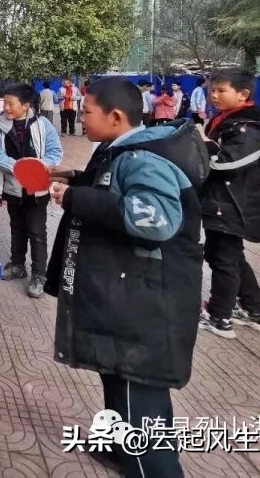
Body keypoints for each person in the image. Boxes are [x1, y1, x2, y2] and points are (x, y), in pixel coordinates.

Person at [45, 77, 207, 478]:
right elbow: (112, 189)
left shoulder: (144, 159)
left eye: (86, 112)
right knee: (119, 385)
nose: (80, 118)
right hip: (124, 297)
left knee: (141, 404)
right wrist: (73, 178)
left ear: (115, 117)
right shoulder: (121, 152)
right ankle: (122, 450)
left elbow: (156, 220)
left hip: (145, 306)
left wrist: (74, 198)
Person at [199, 68, 260, 339]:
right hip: (224, 201)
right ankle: (254, 311)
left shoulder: (249, 129)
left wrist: (204, 145)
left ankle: (219, 316)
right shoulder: (230, 121)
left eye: (221, 90)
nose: (214, 95)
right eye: (212, 90)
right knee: (230, 256)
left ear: (243, 94)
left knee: (223, 258)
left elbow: (226, 163)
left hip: (233, 203)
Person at [0, 82, 63, 298]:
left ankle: (40, 274)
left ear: (26, 105)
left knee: (37, 231)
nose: (7, 108)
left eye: (11, 104)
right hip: (13, 187)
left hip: (37, 189)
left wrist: (37, 169)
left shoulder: (43, 125)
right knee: (16, 227)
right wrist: (20, 169)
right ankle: (18, 265)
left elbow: (54, 152)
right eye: (5, 103)